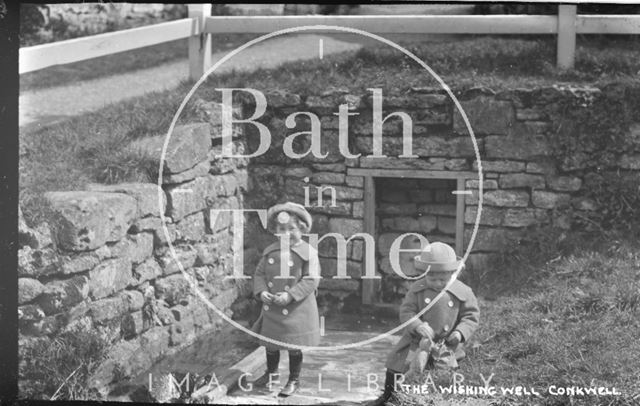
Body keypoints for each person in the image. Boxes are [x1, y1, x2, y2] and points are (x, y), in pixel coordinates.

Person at [368, 241, 480, 406]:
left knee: (445, 371)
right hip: (417, 340)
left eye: (442, 279)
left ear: (453, 273)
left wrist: (460, 333)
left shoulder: (463, 292)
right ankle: (388, 395)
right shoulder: (417, 289)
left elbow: (471, 316)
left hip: (447, 343)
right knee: (396, 363)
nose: (436, 283)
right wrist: (418, 325)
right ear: (424, 273)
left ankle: (439, 398)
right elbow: (406, 311)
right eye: (431, 278)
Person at [250, 202, 321, 397]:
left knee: (293, 346)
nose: (287, 233)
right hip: (273, 306)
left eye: (292, 228)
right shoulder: (270, 251)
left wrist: (290, 295)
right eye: (282, 229)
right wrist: (262, 292)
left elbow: (312, 279)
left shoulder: (308, 253)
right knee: (271, 343)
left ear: (303, 229)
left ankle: (293, 380)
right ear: (275, 231)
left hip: (297, 308)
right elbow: (259, 274)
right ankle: (271, 374)